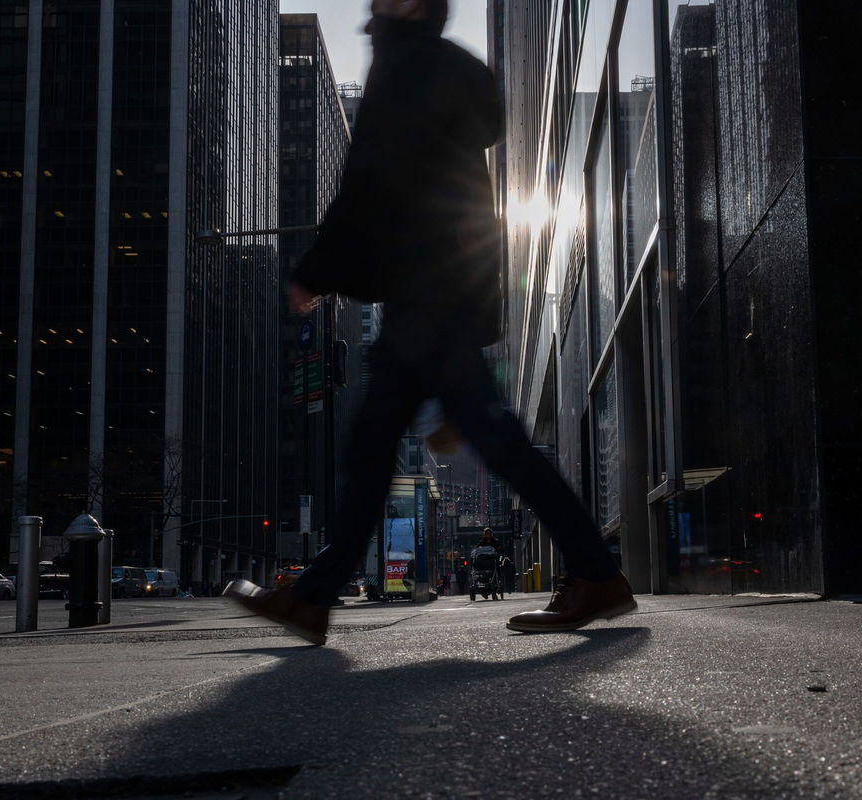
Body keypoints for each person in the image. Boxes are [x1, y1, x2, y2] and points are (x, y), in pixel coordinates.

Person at [225, 0, 635, 645]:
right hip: (441, 297)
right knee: (393, 447)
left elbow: (368, 183)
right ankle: (314, 596)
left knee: (434, 448)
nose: (369, 11)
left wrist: (317, 267)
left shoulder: (408, 67)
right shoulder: (444, 71)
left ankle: (596, 574)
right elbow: (465, 209)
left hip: (427, 299)